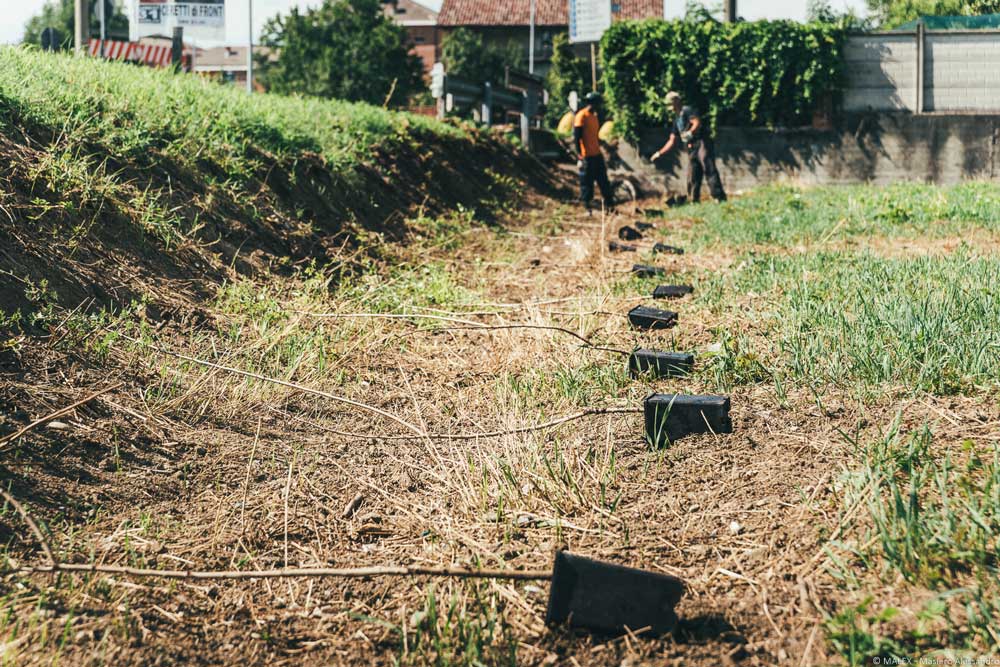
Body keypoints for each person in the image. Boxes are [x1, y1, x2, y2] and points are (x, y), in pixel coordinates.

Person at [650, 91, 726, 203]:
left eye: (671, 103)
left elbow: (696, 122)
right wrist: (659, 153)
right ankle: (694, 200)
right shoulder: (676, 120)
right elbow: (672, 140)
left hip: (702, 141)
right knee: (693, 173)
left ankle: (718, 197)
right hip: (691, 147)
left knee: (707, 165)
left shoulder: (687, 110)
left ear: (677, 101)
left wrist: (690, 133)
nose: (670, 106)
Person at [573, 92, 614, 212]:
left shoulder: (594, 117)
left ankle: (610, 206)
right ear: (592, 103)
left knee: (603, 181)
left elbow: (594, 136)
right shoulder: (581, 116)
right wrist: (580, 156)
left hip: (596, 154)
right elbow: (577, 137)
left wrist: (605, 144)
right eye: (598, 104)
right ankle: (587, 207)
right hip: (587, 156)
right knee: (587, 183)